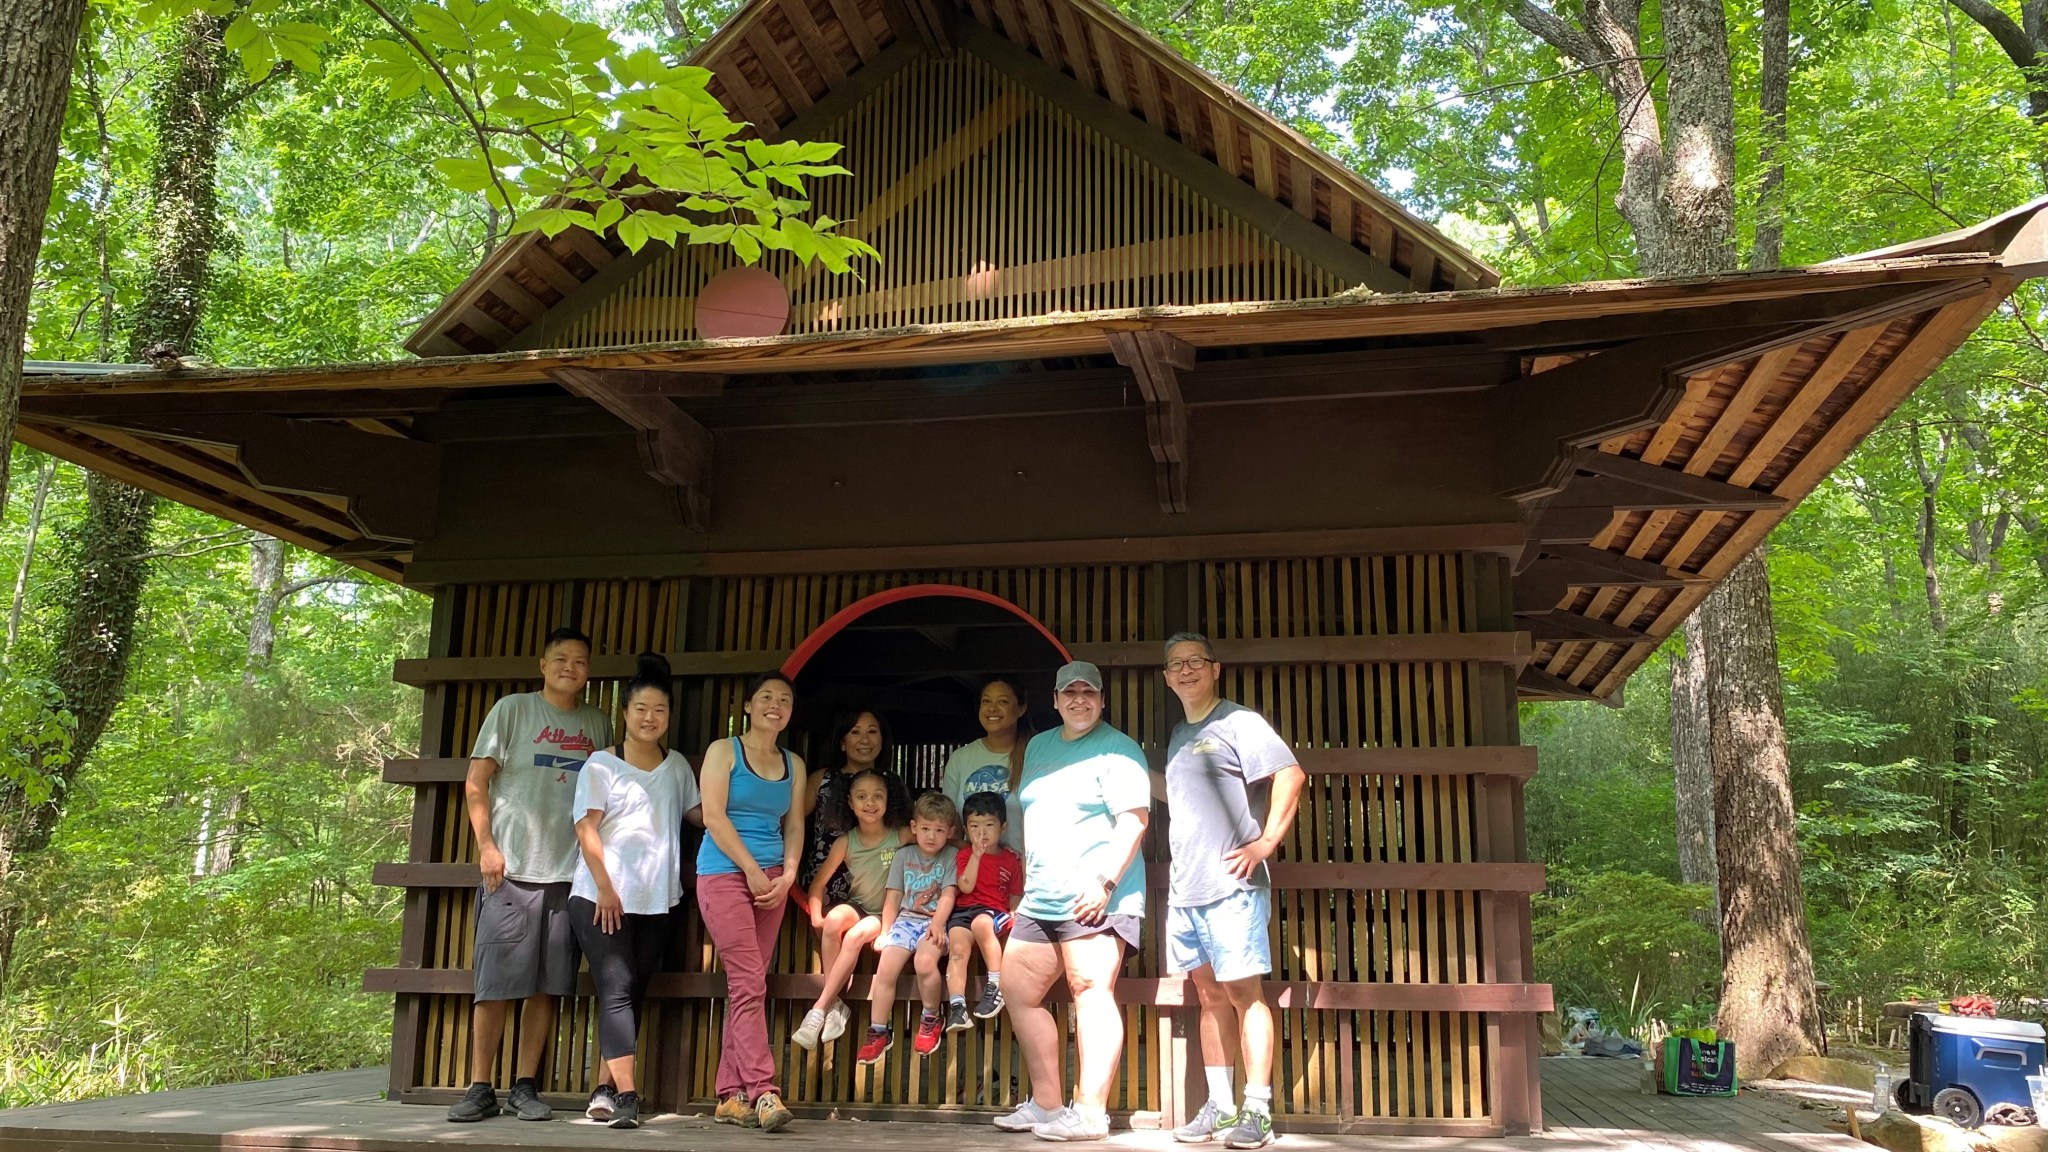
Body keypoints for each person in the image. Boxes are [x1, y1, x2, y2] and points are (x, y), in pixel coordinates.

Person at [448, 626, 612, 1124]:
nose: (570, 667)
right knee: (495, 983)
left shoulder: (598, 724)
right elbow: (477, 780)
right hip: (511, 871)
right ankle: (480, 1087)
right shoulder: (513, 709)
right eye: (561, 659)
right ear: (543, 665)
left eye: (580, 661)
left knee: (547, 985)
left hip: (570, 876)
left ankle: (525, 1086)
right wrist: (487, 846)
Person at [1159, 633, 1304, 1150]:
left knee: (1246, 996)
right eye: (1177, 665)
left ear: (1215, 669)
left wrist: (1266, 843)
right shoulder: (1179, 733)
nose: (1186, 670)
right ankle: (1220, 1108)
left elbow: (1291, 774)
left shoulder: (1239, 721)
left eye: (1196, 661)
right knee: (1208, 997)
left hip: (1233, 886)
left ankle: (1257, 1110)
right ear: (1166, 677)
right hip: (1187, 889)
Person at [994, 661, 1150, 1143]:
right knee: (1018, 992)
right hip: (1041, 897)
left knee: (1091, 993)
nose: (1079, 700)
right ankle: (1046, 1105)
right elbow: (1024, 821)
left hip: (1097, 897)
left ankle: (1089, 1114)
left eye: (1089, 693)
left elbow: (1134, 821)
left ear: (1101, 700)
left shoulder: (1119, 749)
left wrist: (1104, 882)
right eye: (1069, 693)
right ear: (1056, 700)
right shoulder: (1038, 746)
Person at [567, 653, 703, 1130]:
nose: (650, 718)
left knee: (628, 994)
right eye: (641, 709)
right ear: (625, 712)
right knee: (619, 990)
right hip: (600, 897)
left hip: (657, 898)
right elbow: (587, 829)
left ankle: (603, 1090)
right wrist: (605, 888)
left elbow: (702, 816)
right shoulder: (601, 765)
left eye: (660, 710)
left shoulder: (678, 766)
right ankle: (628, 1095)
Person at [696, 671, 806, 1133]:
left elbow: (796, 824)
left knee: (749, 983)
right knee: (747, 980)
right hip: (724, 873)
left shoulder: (793, 763)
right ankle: (764, 1090)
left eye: (784, 699)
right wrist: (753, 870)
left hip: (774, 880)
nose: (775, 705)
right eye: (766, 697)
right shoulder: (724, 751)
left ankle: (729, 1094)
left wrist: (789, 875)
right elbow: (714, 818)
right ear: (747, 705)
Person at [791, 768, 911, 1050]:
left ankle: (821, 1007)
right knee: (834, 920)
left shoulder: (901, 835)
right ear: (849, 803)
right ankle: (834, 1006)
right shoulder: (847, 841)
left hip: (886, 914)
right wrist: (817, 915)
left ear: (888, 801)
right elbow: (818, 884)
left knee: (856, 935)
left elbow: (937, 838)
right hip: (859, 905)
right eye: (862, 796)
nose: (870, 802)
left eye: (877, 796)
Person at [855, 791, 960, 1066]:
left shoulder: (951, 856)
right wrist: (884, 932)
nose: (931, 836)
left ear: (950, 832)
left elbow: (949, 893)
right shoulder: (903, 856)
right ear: (914, 827)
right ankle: (878, 1030)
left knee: (925, 963)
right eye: (925, 828)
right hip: (905, 921)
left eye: (939, 830)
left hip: (934, 922)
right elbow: (892, 896)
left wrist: (938, 923)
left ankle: (930, 1017)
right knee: (886, 969)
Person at [944, 790, 1023, 1027]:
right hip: (964, 910)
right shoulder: (965, 854)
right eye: (975, 826)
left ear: (1004, 827)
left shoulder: (1010, 859)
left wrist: (1014, 911)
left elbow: (1015, 894)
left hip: (994, 912)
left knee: (981, 923)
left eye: (989, 824)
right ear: (966, 829)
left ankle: (995, 984)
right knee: (957, 947)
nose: (982, 832)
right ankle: (957, 1006)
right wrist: (976, 857)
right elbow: (965, 886)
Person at [800, 709, 891, 906]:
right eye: (855, 732)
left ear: (882, 741)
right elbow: (791, 822)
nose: (864, 740)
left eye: (872, 732)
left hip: (877, 890)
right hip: (825, 885)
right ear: (842, 742)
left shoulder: (892, 784)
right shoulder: (821, 779)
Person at [941, 678, 1028, 852]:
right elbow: (951, 828)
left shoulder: (1033, 754)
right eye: (986, 701)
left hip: (1024, 869)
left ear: (1021, 708)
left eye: (1002, 701)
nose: (992, 708)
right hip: (976, 872)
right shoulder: (961, 758)